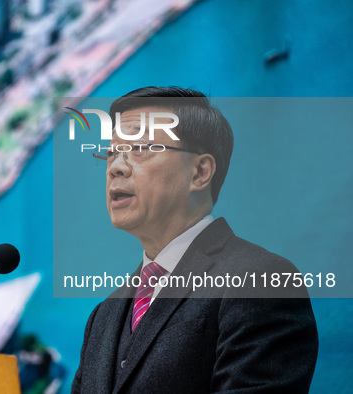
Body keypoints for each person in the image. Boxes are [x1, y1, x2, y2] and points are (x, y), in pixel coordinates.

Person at [71, 87, 318, 393]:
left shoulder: (262, 280)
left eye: (140, 148)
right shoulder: (104, 315)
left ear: (200, 173)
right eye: (111, 153)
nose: (116, 167)